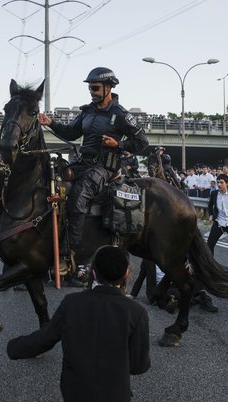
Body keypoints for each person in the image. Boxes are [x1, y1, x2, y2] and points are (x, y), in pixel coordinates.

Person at [7, 245, 150, 402]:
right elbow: (139, 366)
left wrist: (13, 347)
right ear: (126, 274)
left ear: (94, 274)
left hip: (75, 390)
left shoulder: (71, 303)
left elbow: (44, 339)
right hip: (114, 394)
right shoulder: (136, 312)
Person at [38, 67, 149, 260]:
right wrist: (50, 123)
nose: (92, 92)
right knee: (52, 184)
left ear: (108, 87)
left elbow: (142, 142)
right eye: (90, 88)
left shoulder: (121, 114)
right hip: (82, 163)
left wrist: (119, 144)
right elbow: (70, 132)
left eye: (95, 88)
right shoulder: (86, 111)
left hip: (105, 169)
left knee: (78, 196)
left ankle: (72, 253)